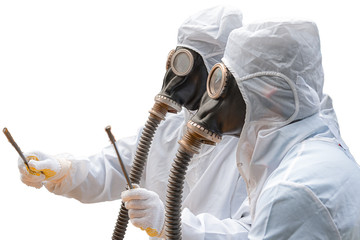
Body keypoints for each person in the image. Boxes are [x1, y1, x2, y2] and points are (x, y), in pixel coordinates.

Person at [17, 6, 252, 239]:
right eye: (178, 63)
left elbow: (252, 233)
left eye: (190, 66)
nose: (179, 77)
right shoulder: (165, 131)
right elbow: (108, 168)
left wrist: (169, 223)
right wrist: (60, 170)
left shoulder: (251, 147)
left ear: (221, 77)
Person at [190, 20, 360, 239]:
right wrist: (167, 221)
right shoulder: (320, 151)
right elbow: (253, 229)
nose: (213, 97)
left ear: (266, 92)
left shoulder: (290, 190)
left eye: (225, 83)